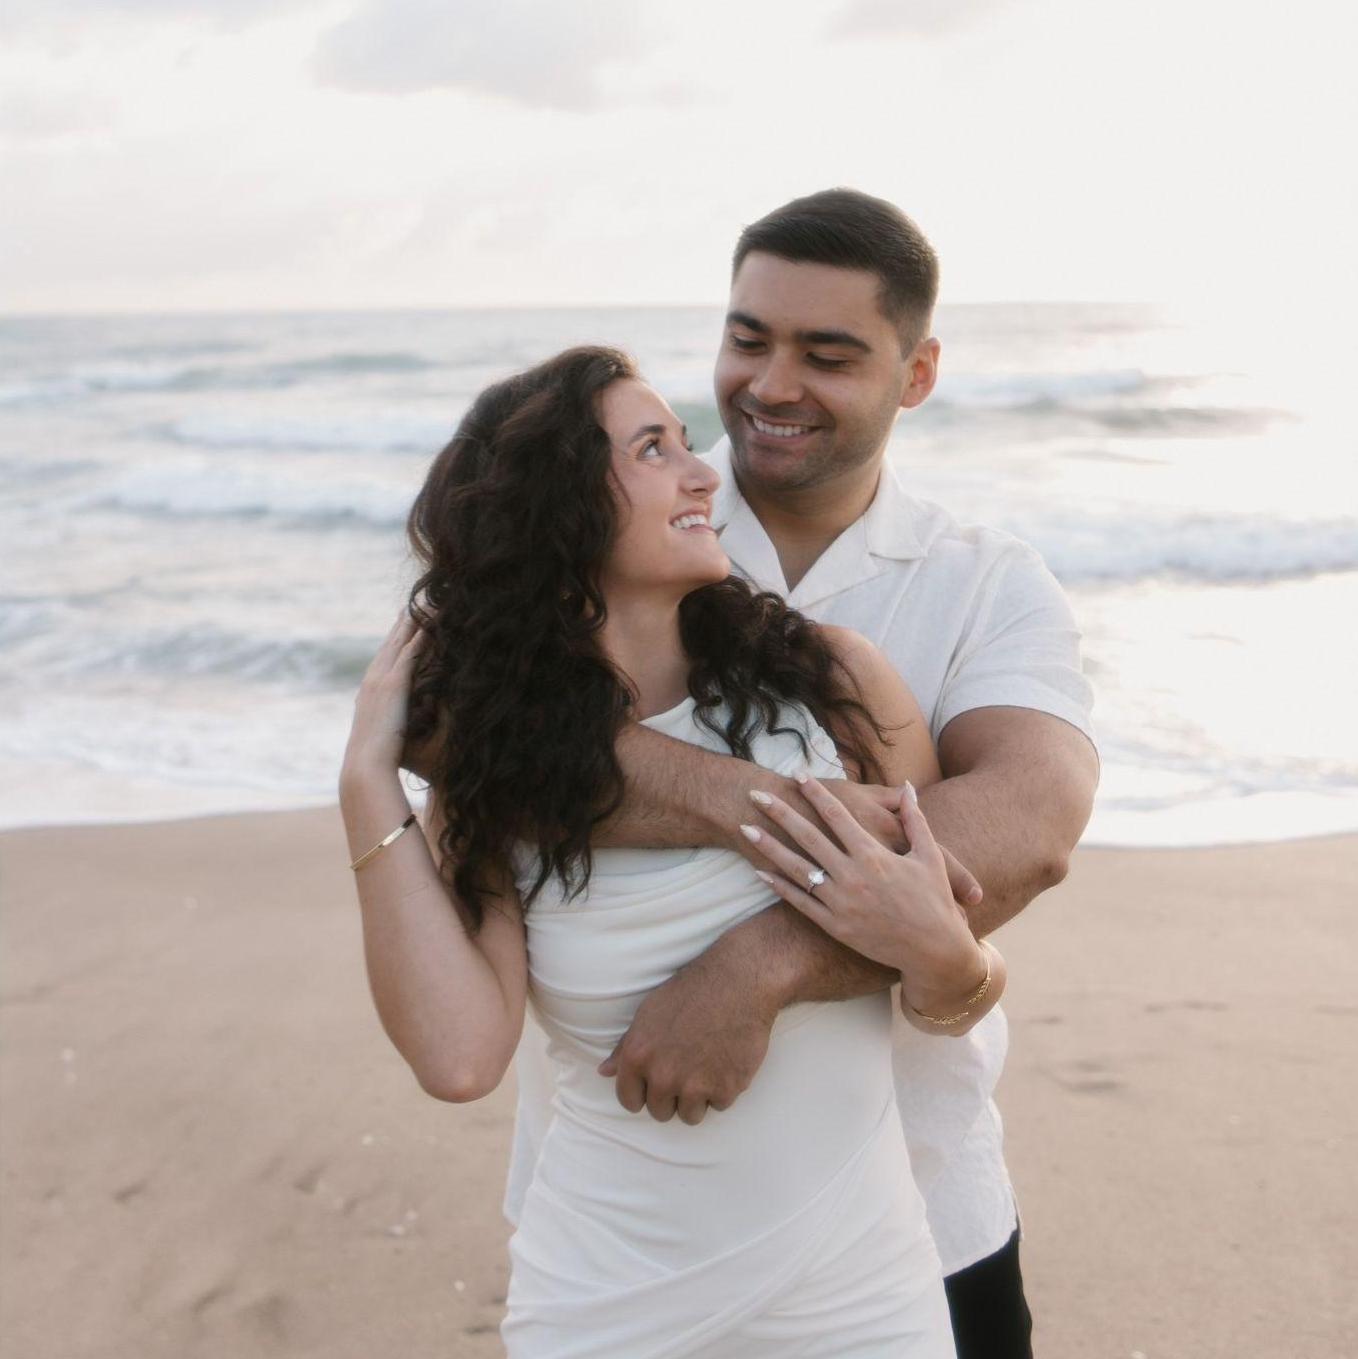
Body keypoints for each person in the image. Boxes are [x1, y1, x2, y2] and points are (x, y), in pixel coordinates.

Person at [503, 190, 1101, 1359]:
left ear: (915, 375)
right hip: (629, 1222)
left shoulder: (983, 580)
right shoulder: (607, 522)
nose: (770, 385)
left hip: (918, 1210)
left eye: (826, 356)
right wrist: (758, 805)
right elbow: (452, 728)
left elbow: (1026, 825)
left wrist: (758, 967)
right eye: (747, 339)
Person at [340, 343, 1007, 1356]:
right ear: (559, 507)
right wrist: (365, 781)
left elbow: (957, 972)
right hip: (609, 1307)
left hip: (860, 1299)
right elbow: (459, 1055)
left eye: (685, 443)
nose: (704, 474)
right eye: (653, 449)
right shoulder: (506, 787)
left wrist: (947, 957)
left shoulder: (832, 690)